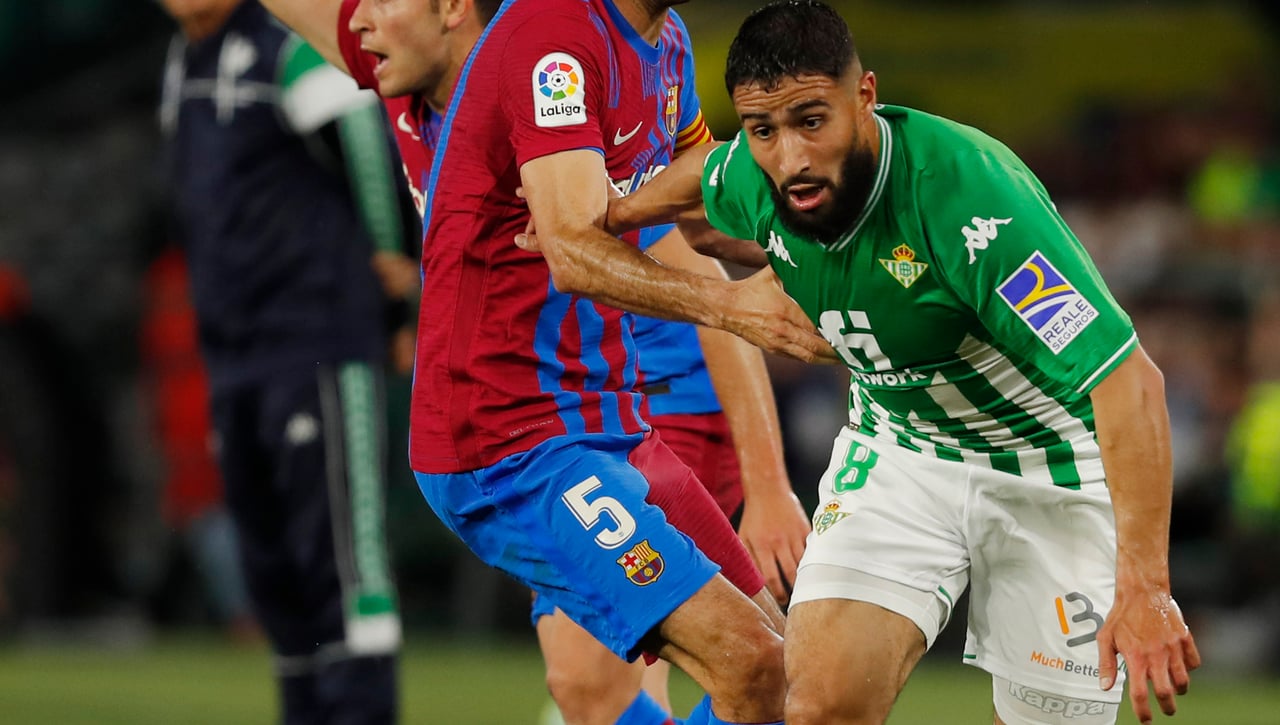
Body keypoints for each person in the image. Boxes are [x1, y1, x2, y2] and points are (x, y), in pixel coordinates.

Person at [598, 2, 1202, 724]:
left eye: (812, 121)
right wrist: (613, 214)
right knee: (819, 704)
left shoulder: (973, 207)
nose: (791, 157)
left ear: (865, 96)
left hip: (1048, 467)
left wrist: (1145, 586)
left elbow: (1129, 382)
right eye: (764, 129)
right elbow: (706, 174)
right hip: (902, 449)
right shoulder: (757, 170)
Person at [258, 1, 813, 723]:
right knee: (641, 678)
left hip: (641, 401)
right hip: (523, 432)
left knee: (765, 672)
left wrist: (823, 263)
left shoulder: (630, 52)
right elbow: (588, 250)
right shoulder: (523, 51)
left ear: (453, 10)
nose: (360, 19)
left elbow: (697, 230)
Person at [157, 1, 416, 721]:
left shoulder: (284, 44)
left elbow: (363, 131)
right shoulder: (184, 59)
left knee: (341, 562)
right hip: (232, 354)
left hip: (316, 341)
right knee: (272, 571)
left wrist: (393, 268)